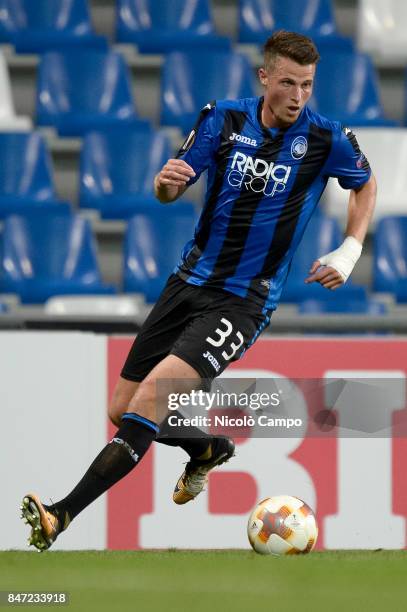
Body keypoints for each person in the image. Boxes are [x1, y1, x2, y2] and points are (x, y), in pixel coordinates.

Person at [21, 30, 376, 551]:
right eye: (287, 83)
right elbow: (169, 190)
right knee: (122, 409)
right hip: (186, 283)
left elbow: (365, 183)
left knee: (149, 400)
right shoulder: (224, 119)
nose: (298, 95)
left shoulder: (326, 138)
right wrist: (164, 183)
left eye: (306, 84)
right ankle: (207, 449)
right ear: (264, 77)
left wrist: (349, 251)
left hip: (243, 301)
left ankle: (61, 514)